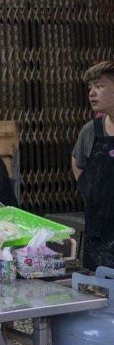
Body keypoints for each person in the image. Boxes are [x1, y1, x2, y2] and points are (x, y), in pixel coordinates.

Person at [71, 60, 114, 272]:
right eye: (90, 88)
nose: (92, 93)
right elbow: (77, 163)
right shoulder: (91, 130)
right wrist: (91, 193)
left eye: (100, 86)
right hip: (99, 233)